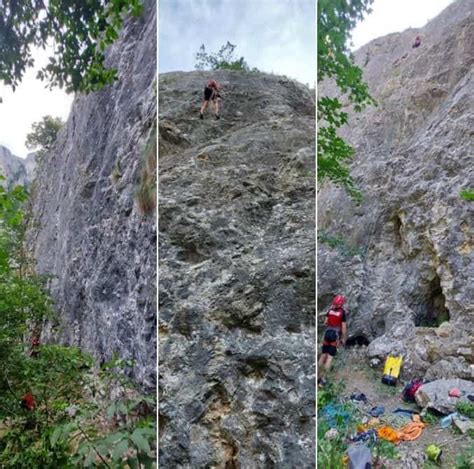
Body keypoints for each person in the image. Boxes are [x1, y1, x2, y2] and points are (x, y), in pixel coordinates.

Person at [318, 294, 347, 384]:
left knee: (323, 355)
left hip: (327, 333)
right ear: (341, 304)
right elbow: (343, 327)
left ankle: (317, 375)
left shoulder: (330, 310)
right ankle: (323, 379)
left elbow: (325, 322)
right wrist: (343, 338)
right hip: (335, 335)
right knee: (330, 357)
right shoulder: (342, 313)